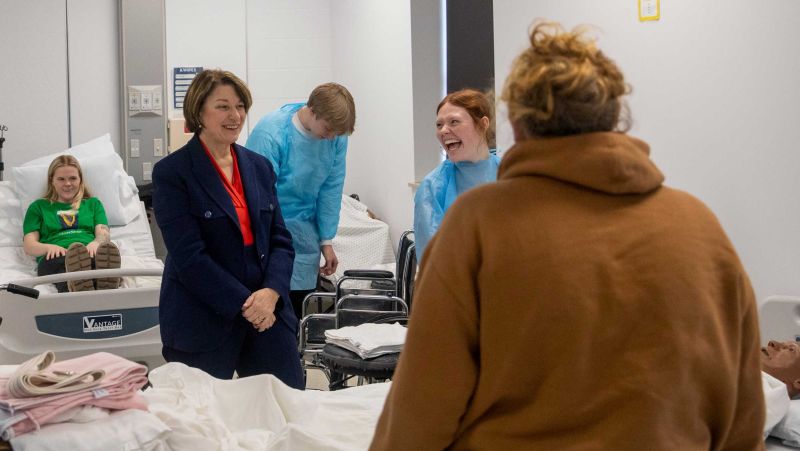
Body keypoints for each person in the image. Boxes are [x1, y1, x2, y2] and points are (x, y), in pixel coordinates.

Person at [370, 21, 764, 450]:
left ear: (516, 125)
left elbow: (424, 403)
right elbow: (743, 415)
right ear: (614, 116)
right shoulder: (700, 228)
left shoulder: (478, 226)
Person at [152, 69, 303, 388]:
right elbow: (189, 257)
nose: (235, 115)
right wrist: (247, 304)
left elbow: (280, 239)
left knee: (285, 406)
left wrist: (271, 293)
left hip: (266, 306)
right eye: (222, 106)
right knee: (200, 420)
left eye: (240, 106)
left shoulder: (258, 167)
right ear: (199, 111)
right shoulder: (173, 173)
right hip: (204, 311)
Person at [246, 83, 356, 319]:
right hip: (268, 233)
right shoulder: (271, 133)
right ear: (313, 110)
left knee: (296, 313)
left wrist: (327, 240)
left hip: (305, 236)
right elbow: (258, 196)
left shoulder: (335, 137)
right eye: (328, 129)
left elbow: (331, 188)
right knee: (268, 315)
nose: (330, 137)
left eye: (337, 134)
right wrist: (269, 242)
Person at [413, 89, 501, 261]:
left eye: (454, 122)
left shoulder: (509, 174)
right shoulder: (432, 188)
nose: (443, 131)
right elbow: (434, 261)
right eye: (439, 125)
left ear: (483, 124)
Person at [22, 155, 121, 293]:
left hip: (89, 252)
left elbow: (103, 232)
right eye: (61, 179)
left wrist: (96, 243)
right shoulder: (38, 207)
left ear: (80, 180)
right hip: (55, 257)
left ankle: (99, 281)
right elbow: (29, 245)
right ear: (52, 181)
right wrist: (49, 248)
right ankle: (87, 283)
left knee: (96, 259)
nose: (67, 183)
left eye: (73, 178)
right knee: (64, 267)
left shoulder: (93, 204)